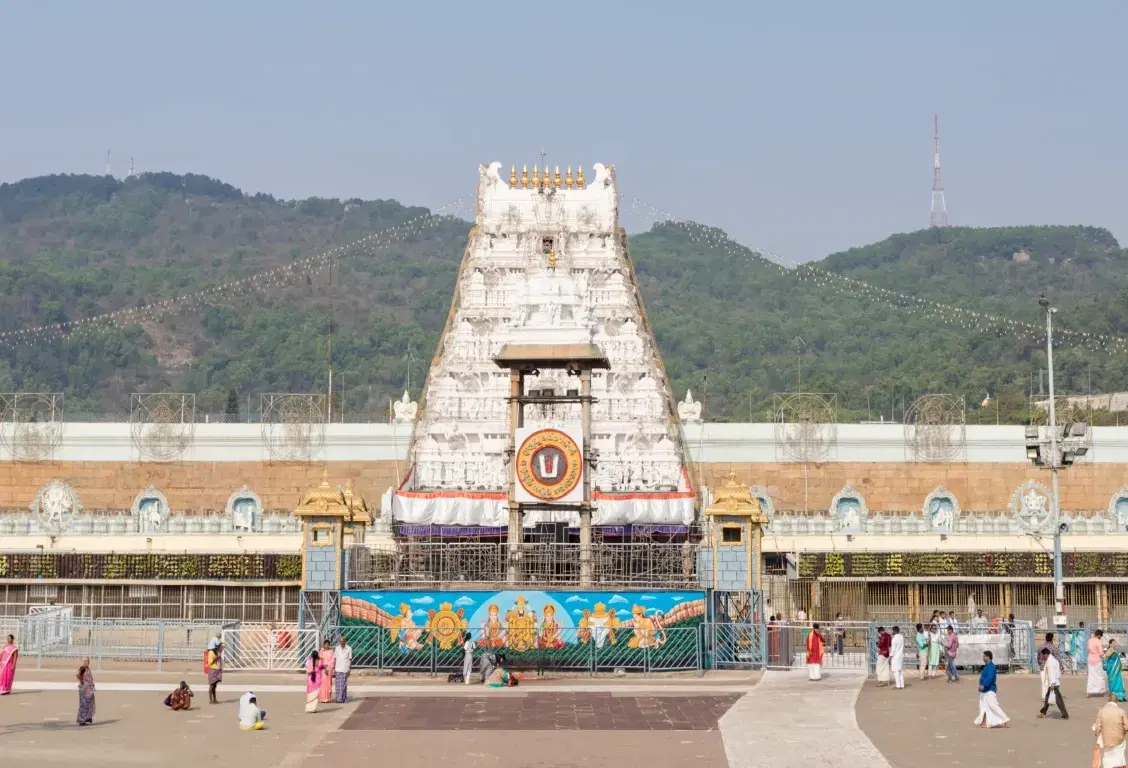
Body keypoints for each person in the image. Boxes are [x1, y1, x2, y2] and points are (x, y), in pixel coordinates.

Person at [974, 650, 1009, 729]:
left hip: (990, 689)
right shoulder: (986, 666)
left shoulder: (991, 666)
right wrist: (981, 686)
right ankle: (984, 722)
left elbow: (990, 678)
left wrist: (984, 685)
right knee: (983, 707)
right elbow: (983, 678)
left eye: (984, 656)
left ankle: (1005, 719)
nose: (983, 658)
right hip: (984, 690)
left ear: (988, 657)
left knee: (993, 705)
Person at [1093, 699, 1128, 768]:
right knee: (1118, 754)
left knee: (1107, 755)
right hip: (1118, 739)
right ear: (1116, 702)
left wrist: (1097, 734)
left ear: (1108, 701)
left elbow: (1098, 726)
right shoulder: (1121, 711)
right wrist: (1123, 733)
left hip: (1106, 739)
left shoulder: (1101, 711)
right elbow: (1126, 727)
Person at [1037, 647, 1068, 719]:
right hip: (1055, 682)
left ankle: (1065, 714)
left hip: (1053, 684)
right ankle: (1043, 713)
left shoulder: (1050, 662)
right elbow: (1057, 673)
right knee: (1048, 698)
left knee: (1058, 700)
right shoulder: (1054, 660)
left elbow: (1052, 673)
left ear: (1045, 654)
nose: (1042, 657)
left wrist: (1052, 684)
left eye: (1043, 655)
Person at [1092, 630, 1111, 697]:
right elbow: (1101, 653)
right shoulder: (1098, 642)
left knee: (1095, 676)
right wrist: (1103, 653)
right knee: (1101, 677)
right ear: (1099, 635)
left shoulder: (1090, 641)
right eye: (1101, 636)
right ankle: (1102, 691)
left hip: (1092, 661)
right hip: (1098, 661)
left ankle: (1096, 690)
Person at [77, 657, 96, 726]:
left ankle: (87, 718)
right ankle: (81, 720)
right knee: (84, 704)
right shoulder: (83, 668)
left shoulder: (87, 668)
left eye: (87, 661)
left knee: (89, 704)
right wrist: (81, 681)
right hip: (85, 689)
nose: (86, 662)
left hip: (89, 689)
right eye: (85, 661)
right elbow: (77, 674)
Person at [333, 635, 353, 703]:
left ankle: (343, 698)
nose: (341, 642)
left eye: (342, 641)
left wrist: (349, 669)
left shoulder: (349, 648)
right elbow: (335, 659)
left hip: (345, 669)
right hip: (338, 668)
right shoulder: (337, 648)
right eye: (340, 641)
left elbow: (350, 659)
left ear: (345, 641)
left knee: (343, 685)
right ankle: (338, 699)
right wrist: (334, 668)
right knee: (338, 685)